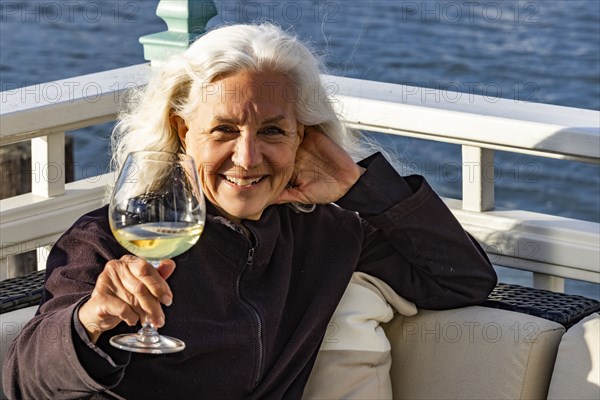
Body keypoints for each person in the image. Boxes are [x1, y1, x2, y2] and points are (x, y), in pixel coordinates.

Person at [3, 23, 496, 399]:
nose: (247, 158)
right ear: (181, 133)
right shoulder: (109, 238)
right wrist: (90, 319)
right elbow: (22, 383)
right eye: (223, 131)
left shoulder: (329, 232)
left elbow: (461, 280)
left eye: (273, 132)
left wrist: (356, 185)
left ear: (304, 137)